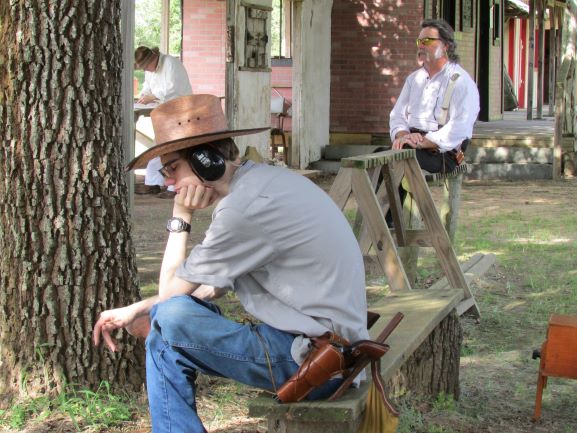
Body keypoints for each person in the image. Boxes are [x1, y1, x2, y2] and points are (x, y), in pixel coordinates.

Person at [93, 94, 370, 433]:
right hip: (332, 351)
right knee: (165, 326)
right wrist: (138, 310)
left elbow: (170, 296)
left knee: (168, 319)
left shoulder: (243, 209)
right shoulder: (264, 184)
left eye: (172, 168)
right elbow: (210, 287)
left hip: (317, 364)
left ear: (205, 160)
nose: (167, 181)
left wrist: (181, 215)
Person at [389, 19, 480, 174]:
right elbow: (397, 116)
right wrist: (404, 136)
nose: (421, 45)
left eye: (427, 40)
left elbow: (459, 127)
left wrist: (422, 142)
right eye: (419, 41)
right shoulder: (414, 79)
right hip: (410, 146)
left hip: (441, 154)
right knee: (377, 157)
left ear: (446, 46)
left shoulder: (460, 82)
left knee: (398, 161)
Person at [135, 45, 193, 199]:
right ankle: (154, 182)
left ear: (153, 59)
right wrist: (144, 95)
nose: (146, 69)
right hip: (164, 112)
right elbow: (148, 86)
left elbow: (173, 89)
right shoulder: (150, 70)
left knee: (174, 148)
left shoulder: (171, 64)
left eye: (146, 66)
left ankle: (174, 186)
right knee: (159, 147)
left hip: (180, 110)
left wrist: (153, 96)